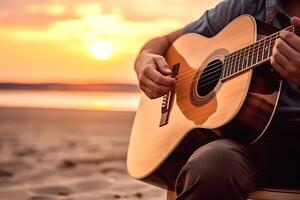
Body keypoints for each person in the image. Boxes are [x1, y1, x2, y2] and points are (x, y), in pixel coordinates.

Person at [134, 0, 300, 199]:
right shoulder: (248, 6)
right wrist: (145, 58)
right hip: (249, 146)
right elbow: (165, 42)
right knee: (208, 166)